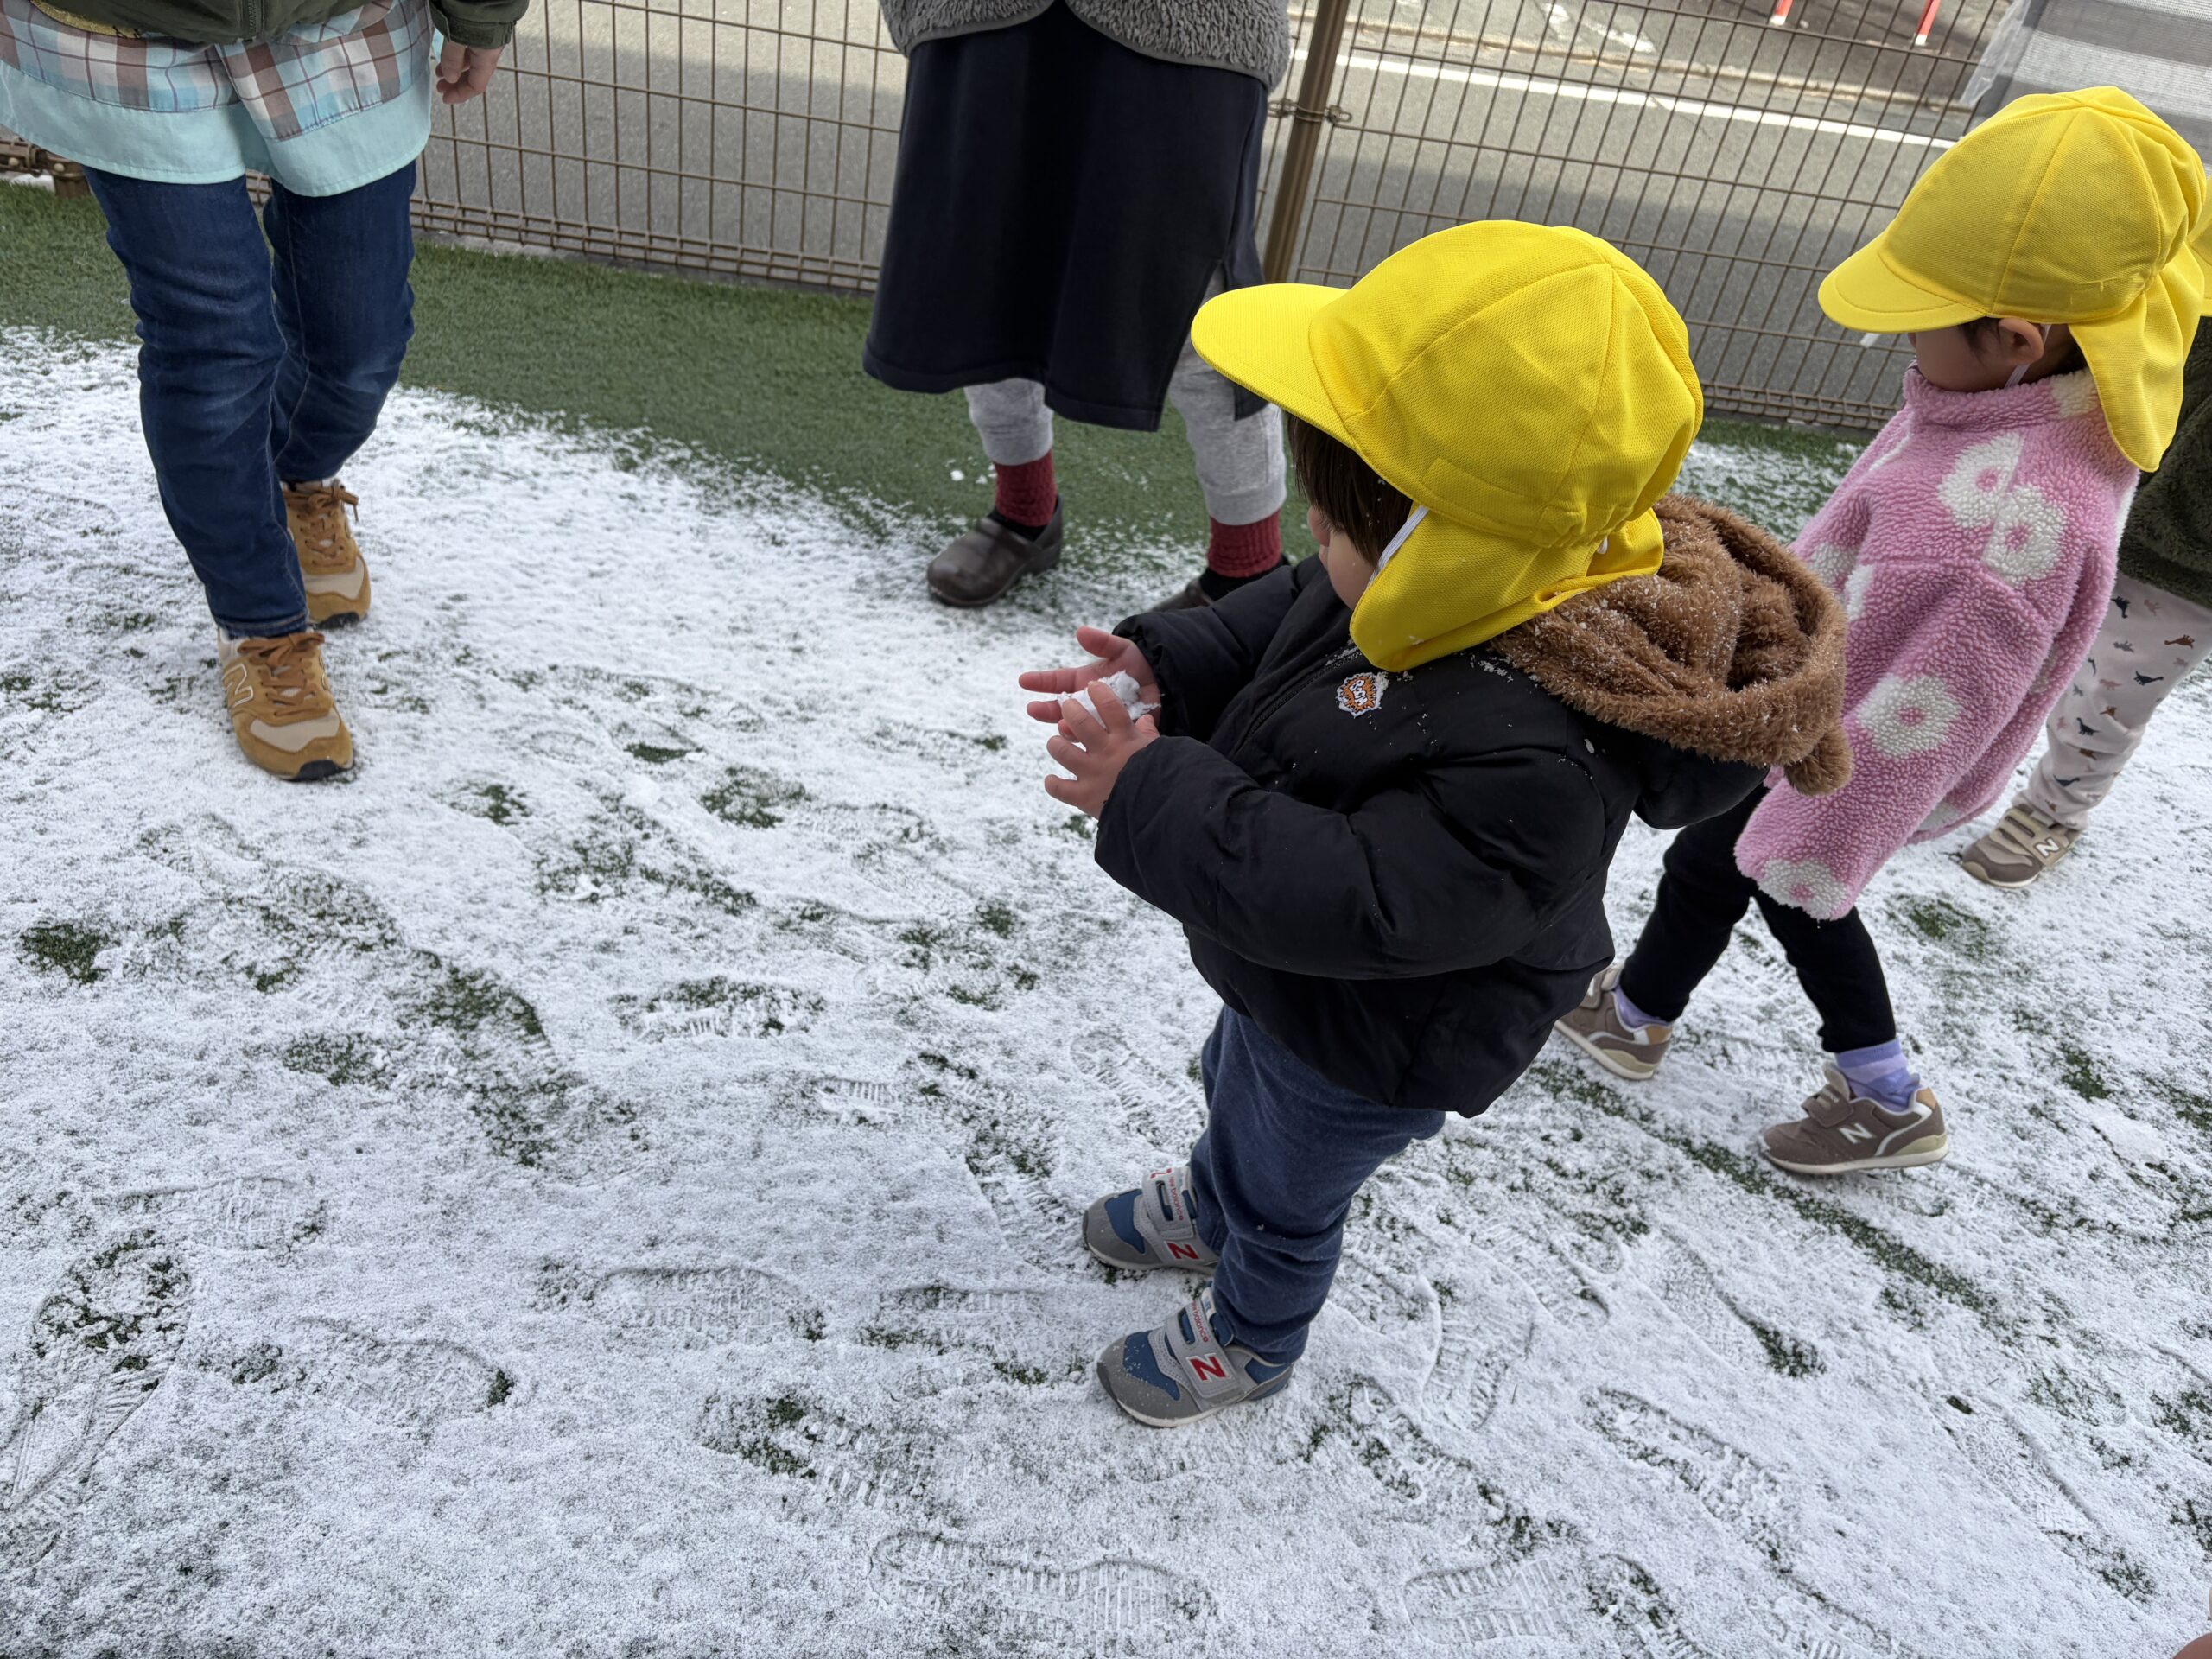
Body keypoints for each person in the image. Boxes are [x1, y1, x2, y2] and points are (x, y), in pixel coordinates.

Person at [1016, 220, 1853, 1427]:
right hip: (1293, 989)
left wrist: (1147, 790)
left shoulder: (1538, 754)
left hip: (1380, 1033)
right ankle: (1213, 1196)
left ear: (1441, 545)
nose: (1313, 543)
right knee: (1233, 1082)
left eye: (1332, 523)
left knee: (1290, 1188)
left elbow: (1362, 902)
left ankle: (1253, 1334)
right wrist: (1169, 661)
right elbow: (1292, 611)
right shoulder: (1453, 580)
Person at [1556, 89, 2207, 1175]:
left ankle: (1885, 1094)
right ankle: (1635, 1014)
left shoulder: (2009, 529)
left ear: (2016, 340)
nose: (1900, 342)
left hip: (1847, 761)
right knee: (1710, 862)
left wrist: (1823, 828)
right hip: (1820, 707)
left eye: (1918, 320)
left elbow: (1945, 704)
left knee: (1795, 894)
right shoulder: (2030, 392)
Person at [0, 0, 520, 779]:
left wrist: (483, 13)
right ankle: (260, 626)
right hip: (115, 28)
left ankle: (297, 476)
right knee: (213, 343)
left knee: (362, 337)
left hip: (341, 22)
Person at [864, 0, 1289, 612]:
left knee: (1203, 312)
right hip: (978, 17)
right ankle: (1025, 514)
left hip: (1191, 30)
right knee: (991, 278)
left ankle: (1249, 573)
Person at [1960, 314, 2212, 887]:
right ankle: (1948, 768)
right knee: (2009, 638)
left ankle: (2052, 811)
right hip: (2109, 477)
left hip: (2191, 560)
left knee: (2107, 696)